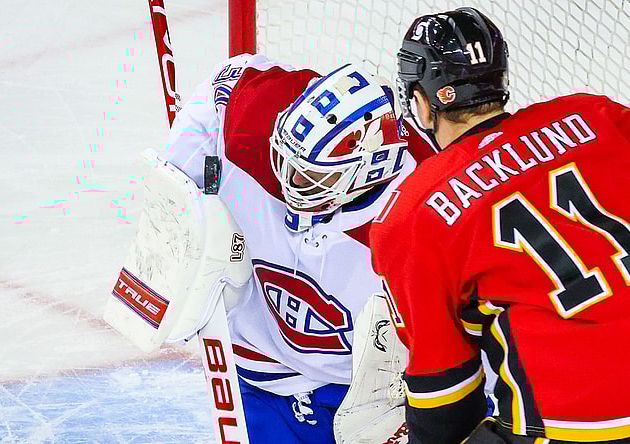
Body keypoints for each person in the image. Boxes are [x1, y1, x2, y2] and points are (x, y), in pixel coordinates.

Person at [370, 7, 630, 444]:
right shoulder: (593, 118)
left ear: (423, 102)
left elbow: (443, 389)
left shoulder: (414, 210)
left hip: (575, 431)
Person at [162, 53, 436, 443]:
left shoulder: (421, 213)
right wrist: (187, 190)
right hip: (257, 367)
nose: (290, 182)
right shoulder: (258, 115)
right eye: (288, 163)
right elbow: (219, 89)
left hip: (357, 395)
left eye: (311, 176)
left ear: (370, 170)